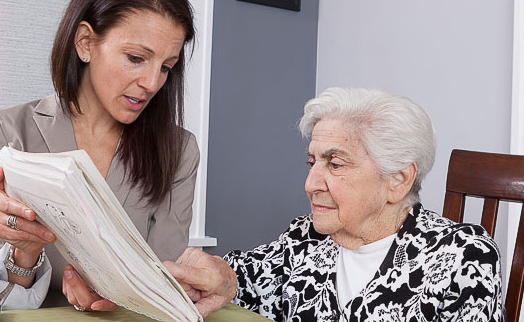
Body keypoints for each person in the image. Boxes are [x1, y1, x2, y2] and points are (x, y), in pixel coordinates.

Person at [165, 88, 504, 321]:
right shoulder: (304, 240)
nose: (311, 184)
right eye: (311, 162)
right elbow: (234, 280)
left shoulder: (461, 257)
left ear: (398, 180)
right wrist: (209, 274)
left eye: (336, 164)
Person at [0, 0, 199, 311]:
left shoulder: (178, 150)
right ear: (85, 42)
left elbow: (164, 284)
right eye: (136, 58)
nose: (152, 83)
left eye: (165, 67)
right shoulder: (5, 133)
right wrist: (24, 253)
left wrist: (117, 297)